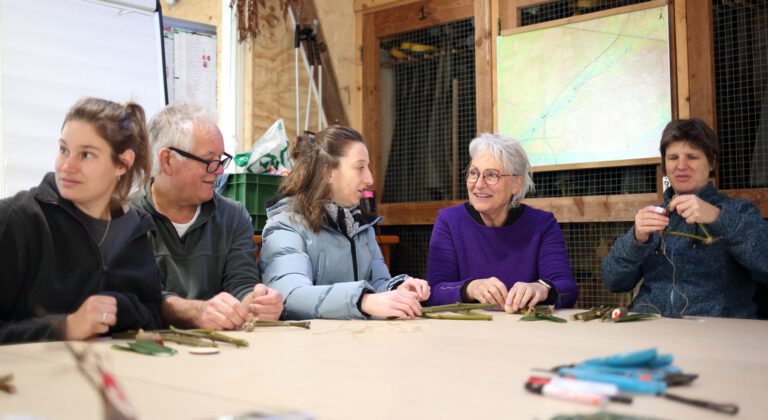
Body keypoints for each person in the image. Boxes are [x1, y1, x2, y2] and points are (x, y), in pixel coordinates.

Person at [0, 97, 164, 344]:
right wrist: (64, 327)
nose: (67, 166)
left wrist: (119, 307)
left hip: (112, 368)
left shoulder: (135, 230)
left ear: (123, 163)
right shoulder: (15, 219)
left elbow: (153, 318)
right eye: (64, 150)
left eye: (86, 154)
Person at [134, 103, 283, 330]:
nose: (220, 170)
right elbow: (136, 295)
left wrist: (256, 303)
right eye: (209, 160)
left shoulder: (234, 217)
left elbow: (241, 285)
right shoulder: (124, 216)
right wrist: (194, 312)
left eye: (221, 159)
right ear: (167, 160)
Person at [259, 126, 430, 320]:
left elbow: (377, 285)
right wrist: (362, 300)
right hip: (309, 338)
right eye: (360, 167)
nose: (370, 179)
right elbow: (290, 296)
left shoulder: (362, 226)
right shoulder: (285, 225)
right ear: (328, 172)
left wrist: (397, 290)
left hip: (356, 335)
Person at [602, 118, 768, 318]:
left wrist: (719, 218)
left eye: (692, 157)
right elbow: (613, 281)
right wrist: (635, 240)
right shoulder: (656, 216)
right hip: (651, 323)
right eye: (673, 158)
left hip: (717, 328)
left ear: (712, 162)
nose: (681, 166)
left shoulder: (739, 210)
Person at [425, 133, 578, 312]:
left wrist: (542, 289)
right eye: (474, 173)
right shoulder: (450, 221)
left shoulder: (542, 224)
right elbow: (433, 292)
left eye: (492, 175)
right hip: (469, 327)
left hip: (523, 326)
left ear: (516, 184)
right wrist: (470, 288)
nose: (479, 184)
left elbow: (568, 290)